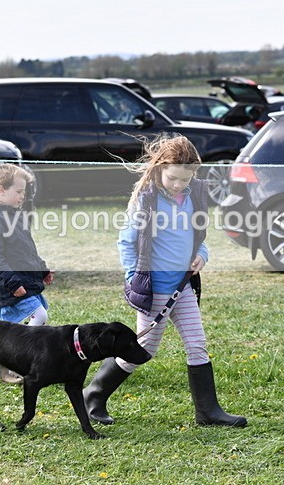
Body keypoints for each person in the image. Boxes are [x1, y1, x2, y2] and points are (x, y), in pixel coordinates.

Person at [83, 135, 247, 428]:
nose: (178, 184)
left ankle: (208, 413)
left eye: (186, 178)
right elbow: (126, 242)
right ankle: (93, 396)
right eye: (173, 178)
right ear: (159, 169)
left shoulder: (195, 194)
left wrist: (202, 256)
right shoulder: (146, 199)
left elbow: (198, 237)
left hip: (182, 286)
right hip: (154, 289)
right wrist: (134, 278)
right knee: (141, 351)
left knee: (197, 345)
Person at [0, 164, 54, 382]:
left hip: (25, 281)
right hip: (12, 287)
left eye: (24, 191)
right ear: (1, 190)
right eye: (19, 191)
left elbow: (27, 250)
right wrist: (12, 283)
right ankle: (18, 361)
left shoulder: (15, 217)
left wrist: (42, 270)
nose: (23, 196)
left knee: (0, 328)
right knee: (40, 316)